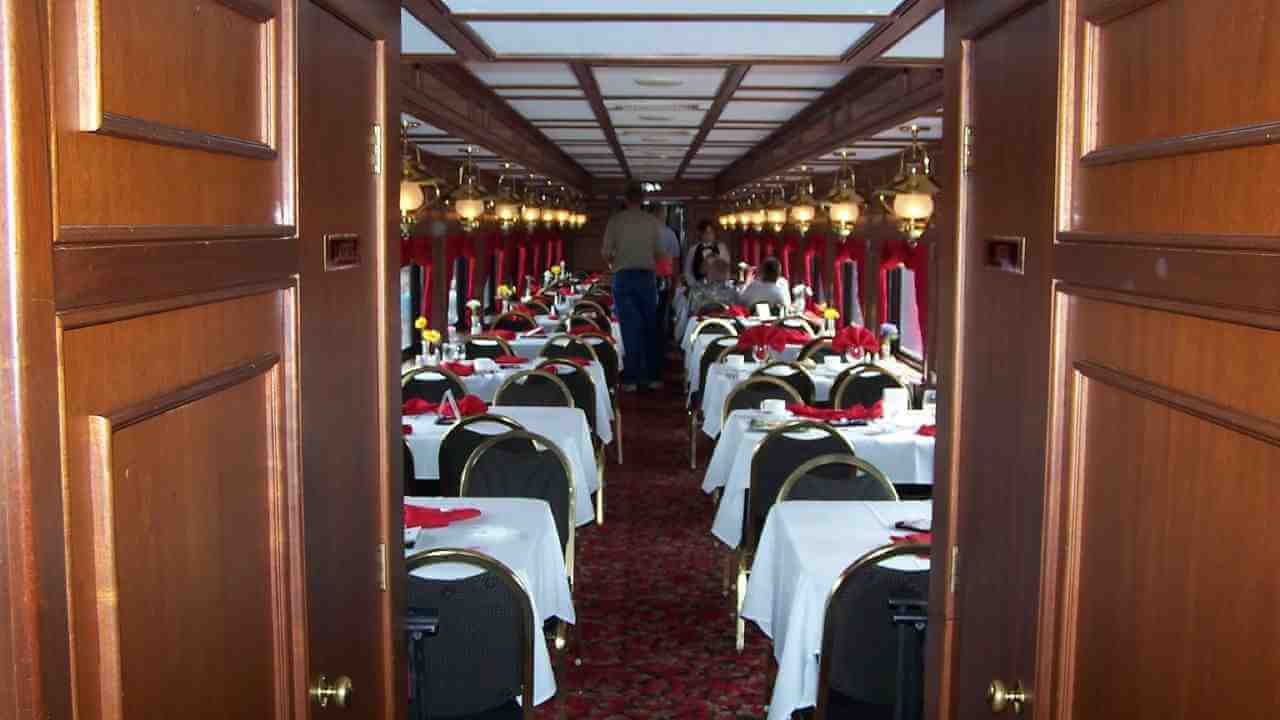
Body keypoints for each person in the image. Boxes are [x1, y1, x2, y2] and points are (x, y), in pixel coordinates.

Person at [602, 184, 668, 391]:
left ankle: (631, 379)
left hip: (623, 277)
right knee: (650, 327)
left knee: (629, 328)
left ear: (626, 198)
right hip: (646, 277)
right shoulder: (652, 222)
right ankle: (652, 377)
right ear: (643, 200)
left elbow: (606, 252)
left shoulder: (616, 222)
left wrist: (614, 264)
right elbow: (660, 253)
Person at [649, 204, 681, 363]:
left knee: (651, 315)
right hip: (663, 278)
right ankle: (660, 350)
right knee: (662, 315)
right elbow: (675, 262)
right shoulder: (669, 234)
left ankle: (650, 349)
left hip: (648, 278)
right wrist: (675, 282)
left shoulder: (644, 233)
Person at [683, 219, 731, 287]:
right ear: (700, 234)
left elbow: (726, 269)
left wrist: (724, 284)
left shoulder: (722, 248)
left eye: (711, 232)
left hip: (717, 287)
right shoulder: (693, 249)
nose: (708, 235)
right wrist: (694, 285)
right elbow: (687, 271)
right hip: (698, 286)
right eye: (705, 232)